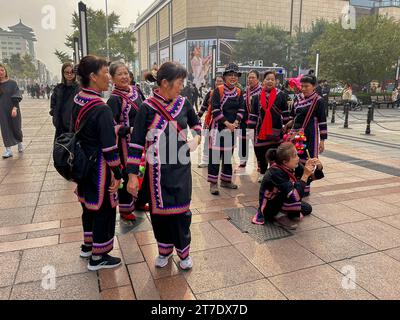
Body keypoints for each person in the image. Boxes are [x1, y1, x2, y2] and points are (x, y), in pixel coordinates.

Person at [129, 62, 202, 270]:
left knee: (181, 213)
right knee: (159, 214)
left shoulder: (184, 103)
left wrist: (196, 138)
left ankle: (184, 253)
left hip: (180, 169)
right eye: (179, 83)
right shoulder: (147, 107)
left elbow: (196, 125)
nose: (182, 87)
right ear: (164, 83)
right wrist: (133, 174)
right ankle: (164, 251)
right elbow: (135, 143)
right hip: (156, 173)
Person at [72, 55, 123, 271]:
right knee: (103, 209)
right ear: (93, 77)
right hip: (99, 168)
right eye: (105, 74)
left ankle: (88, 245)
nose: (109, 79)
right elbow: (110, 148)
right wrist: (118, 173)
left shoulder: (79, 99)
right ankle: (98, 257)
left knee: (88, 207)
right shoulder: (100, 108)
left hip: (83, 163)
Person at [107, 61, 148, 222]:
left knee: (141, 171)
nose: (124, 77)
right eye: (119, 74)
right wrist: (128, 130)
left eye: (126, 73)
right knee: (127, 173)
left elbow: (146, 108)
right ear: (112, 78)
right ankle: (125, 209)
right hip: (125, 144)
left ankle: (139, 201)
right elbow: (111, 126)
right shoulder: (114, 99)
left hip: (141, 140)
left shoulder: (136, 91)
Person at [251, 142, 324, 229]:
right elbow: (294, 196)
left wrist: (319, 167)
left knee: (307, 208)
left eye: (297, 154)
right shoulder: (275, 172)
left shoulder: (294, 166)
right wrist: (305, 175)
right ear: (285, 162)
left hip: (285, 199)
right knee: (292, 194)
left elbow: (310, 178)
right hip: (271, 206)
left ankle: (286, 212)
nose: (298, 158)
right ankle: (279, 215)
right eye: (295, 156)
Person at [286, 74, 327, 196]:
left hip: (310, 135)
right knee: (294, 159)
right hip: (295, 135)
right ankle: (296, 185)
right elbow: (292, 116)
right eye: (302, 86)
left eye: (306, 86)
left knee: (307, 160)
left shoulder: (318, 100)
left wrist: (322, 140)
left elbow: (322, 121)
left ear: (314, 86)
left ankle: (305, 187)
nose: (303, 89)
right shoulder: (297, 98)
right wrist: (289, 129)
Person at [208, 63, 245, 195]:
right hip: (218, 127)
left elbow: (242, 109)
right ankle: (213, 183)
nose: (233, 77)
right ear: (224, 77)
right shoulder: (219, 90)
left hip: (232, 129)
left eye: (235, 75)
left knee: (228, 156)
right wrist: (227, 123)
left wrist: (235, 122)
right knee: (215, 156)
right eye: (230, 75)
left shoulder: (239, 92)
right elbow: (215, 109)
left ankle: (226, 180)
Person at [247, 71, 290, 182]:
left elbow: (285, 112)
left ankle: (273, 172)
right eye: (267, 79)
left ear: (276, 81)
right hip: (260, 131)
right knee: (260, 153)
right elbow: (253, 114)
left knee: (275, 153)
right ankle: (262, 173)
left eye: (272, 79)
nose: (270, 81)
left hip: (276, 130)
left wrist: (288, 126)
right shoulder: (256, 97)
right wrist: (250, 128)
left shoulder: (281, 95)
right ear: (263, 81)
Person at [236, 70, 262, 172]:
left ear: (258, 79)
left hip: (257, 122)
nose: (250, 80)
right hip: (244, 121)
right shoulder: (245, 91)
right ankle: (243, 161)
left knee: (257, 144)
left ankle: (260, 163)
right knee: (243, 142)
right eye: (249, 78)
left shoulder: (262, 91)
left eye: (253, 78)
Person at [197, 75, 224, 168]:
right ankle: (205, 160)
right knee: (207, 141)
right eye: (217, 81)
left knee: (221, 142)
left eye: (221, 81)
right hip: (210, 121)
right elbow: (204, 107)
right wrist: (197, 117)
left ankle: (219, 160)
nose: (218, 83)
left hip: (222, 122)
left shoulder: (227, 93)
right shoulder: (210, 93)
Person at [50, 62, 80, 138]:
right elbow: (53, 104)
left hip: (74, 125)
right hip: (61, 125)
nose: (69, 75)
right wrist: (55, 117)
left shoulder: (79, 88)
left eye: (72, 72)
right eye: (67, 72)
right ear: (63, 73)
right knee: (61, 147)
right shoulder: (58, 88)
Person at [0, 63, 23, 158]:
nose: (0, 72)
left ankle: (20, 143)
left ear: (5, 71)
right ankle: (8, 150)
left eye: (2, 70)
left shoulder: (13, 83)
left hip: (13, 108)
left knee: (16, 127)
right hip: (2, 110)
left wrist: (14, 108)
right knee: (5, 129)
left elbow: (17, 95)